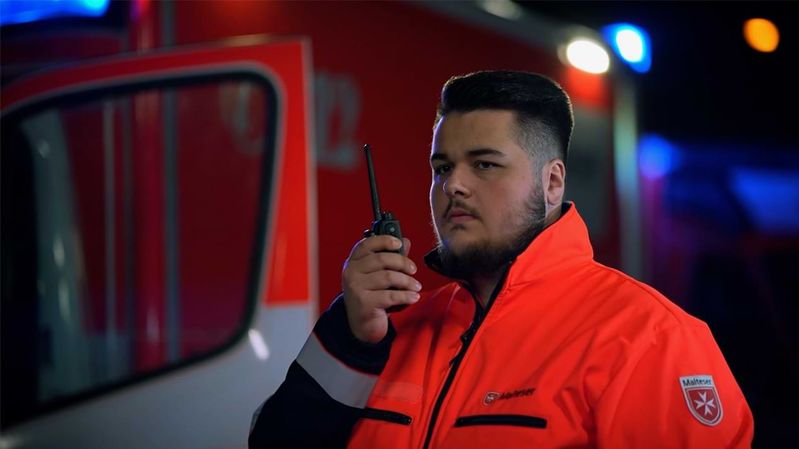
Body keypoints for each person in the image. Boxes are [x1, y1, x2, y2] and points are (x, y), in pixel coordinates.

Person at [248, 71, 754, 448]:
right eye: (442, 167)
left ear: (552, 182)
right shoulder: (388, 330)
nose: (454, 186)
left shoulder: (649, 338)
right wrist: (350, 340)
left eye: (485, 164)